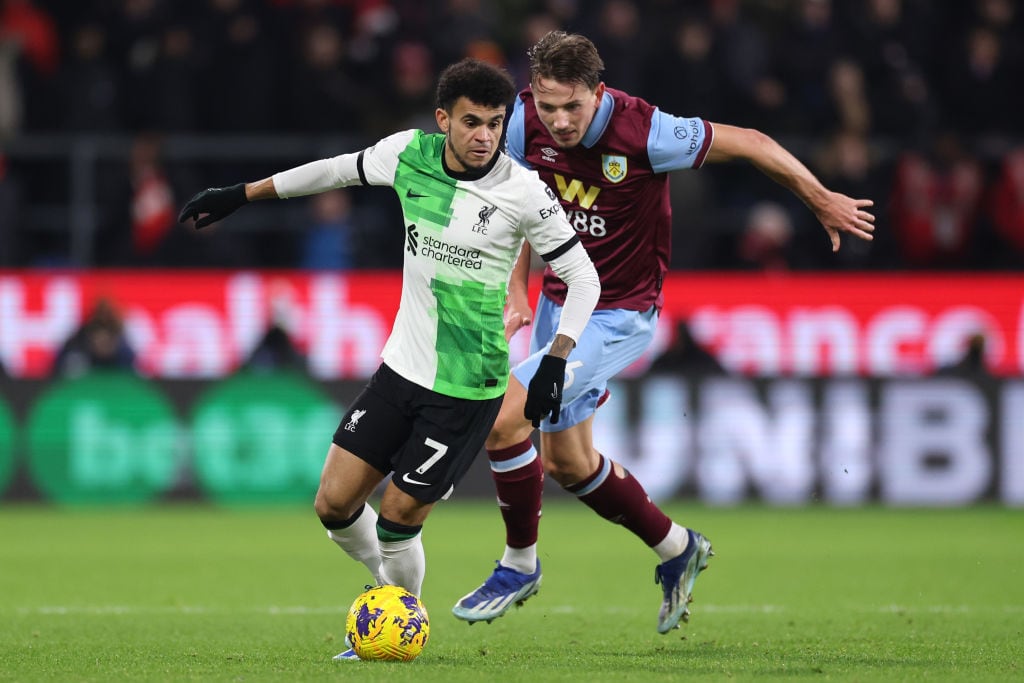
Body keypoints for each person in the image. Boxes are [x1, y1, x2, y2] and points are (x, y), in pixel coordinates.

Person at [452, 31, 876, 635]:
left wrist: (819, 198)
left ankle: (519, 564)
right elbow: (519, 205)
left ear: (598, 93)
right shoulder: (520, 122)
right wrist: (518, 287)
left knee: (503, 419)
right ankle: (678, 547)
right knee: (569, 463)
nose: (561, 121)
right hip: (556, 301)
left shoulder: (645, 132)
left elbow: (753, 143)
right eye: (550, 107)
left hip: (616, 313)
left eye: (573, 106)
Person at [177, 57, 600, 661]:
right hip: (400, 368)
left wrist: (556, 358)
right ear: (442, 120)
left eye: (496, 124)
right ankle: (392, 597)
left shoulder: (524, 192)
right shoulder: (407, 155)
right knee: (333, 505)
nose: (484, 136)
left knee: (399, 514)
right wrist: (243, 195)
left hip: (465, 386)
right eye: (472, 122)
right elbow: (333, 171)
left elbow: (583, 280)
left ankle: (398, 621)